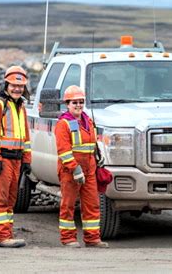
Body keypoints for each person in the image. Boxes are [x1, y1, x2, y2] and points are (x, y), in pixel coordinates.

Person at [54, 85, 108, 248]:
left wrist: (98, 159)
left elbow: (91, 144)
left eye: (80, 102)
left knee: (92, 203)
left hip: (89, 168)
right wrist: (75, 169)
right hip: (70, 171)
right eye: (74, 102)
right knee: (68, 204)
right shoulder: (64, 124)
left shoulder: (87, 120)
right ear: (67, 104)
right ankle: (68, 238)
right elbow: (64, 150)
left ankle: (92, 239)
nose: (78, 105)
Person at [0, 66, 32, 248]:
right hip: (2, 160)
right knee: (0, 198)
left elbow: (26, 137)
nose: (17, 89)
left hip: (16, 160)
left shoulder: (21, 106)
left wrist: (27, 160)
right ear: (6, 84)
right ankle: (0, 236)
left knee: (11, 199)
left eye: (20, 86)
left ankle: (7, 234)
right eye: (13, 85)